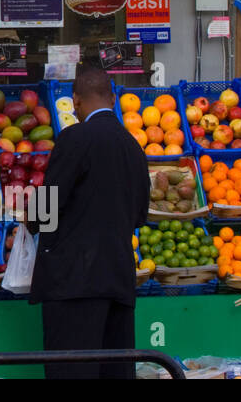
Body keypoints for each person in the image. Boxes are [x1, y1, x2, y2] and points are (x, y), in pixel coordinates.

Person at [25, 64, 150, 379]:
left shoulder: (75, 137)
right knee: (115, 373)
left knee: (72, 372)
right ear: (113, 99)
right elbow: (139, 215)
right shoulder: (133, 146)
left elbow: (47, 206)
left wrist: (28, 222)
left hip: (74, 284)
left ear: (76, 102)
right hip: (119, 279)